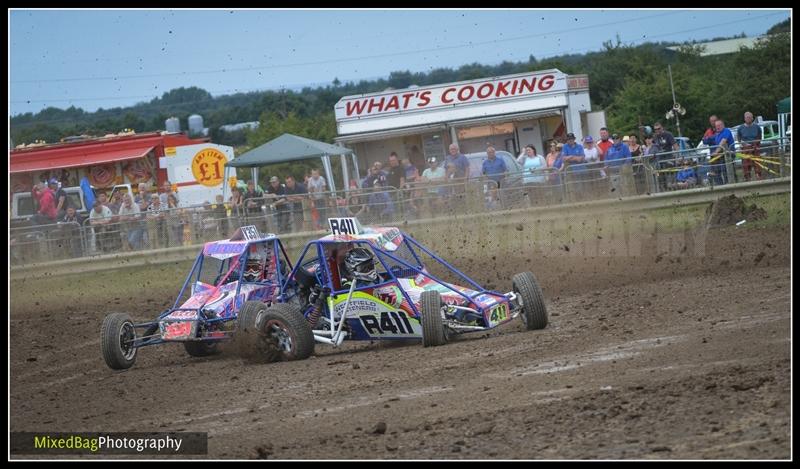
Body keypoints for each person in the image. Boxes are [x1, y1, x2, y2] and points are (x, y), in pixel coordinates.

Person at [710, 119, 736, 186]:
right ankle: (720, 185)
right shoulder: (717, 135)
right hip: (721, 156)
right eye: (716, 126)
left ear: (723, 125)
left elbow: (723, 142)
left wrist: (716, 152)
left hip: (728, 155)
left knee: (727, 171)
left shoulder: (726, 131)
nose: (717, 127)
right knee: (717, 171)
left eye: (719, 125)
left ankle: (731, 184)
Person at [738, 111, 763, 181]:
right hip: (745, 149)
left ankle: (758, 177)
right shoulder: (740, 128)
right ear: (744, 118)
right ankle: (747, 178)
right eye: (747, 117)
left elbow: (759, 137)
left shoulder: (757, 127)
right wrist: (743, 144)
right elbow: (739, 138)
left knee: (757, 163)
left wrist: (755, 143)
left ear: (752, 118)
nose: (748, 119)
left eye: (749, 117)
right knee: (746, 164)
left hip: (755, 147)